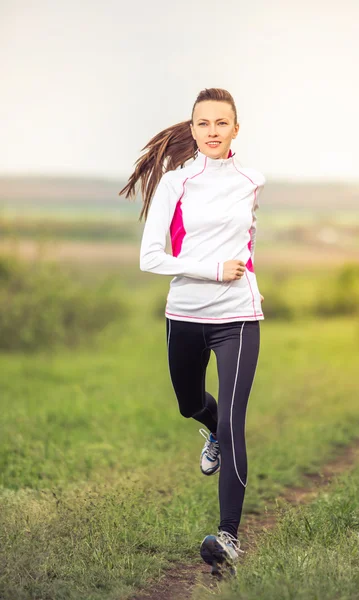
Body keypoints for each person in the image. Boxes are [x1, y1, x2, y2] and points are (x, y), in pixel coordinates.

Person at [120, 87, 265, 577]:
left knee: (233, 420)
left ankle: (228, 537)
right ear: (193, 128)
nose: (212, 132)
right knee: (189, 402)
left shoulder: (252, 180)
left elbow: (244, 240)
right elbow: (150, 258)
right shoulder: (174, 185)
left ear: (235, 130)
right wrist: (210, 269)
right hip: (184, 312)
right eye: (203, 124)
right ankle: (211, 429)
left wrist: (233, 272)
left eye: (221, 123)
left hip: (239, 316)